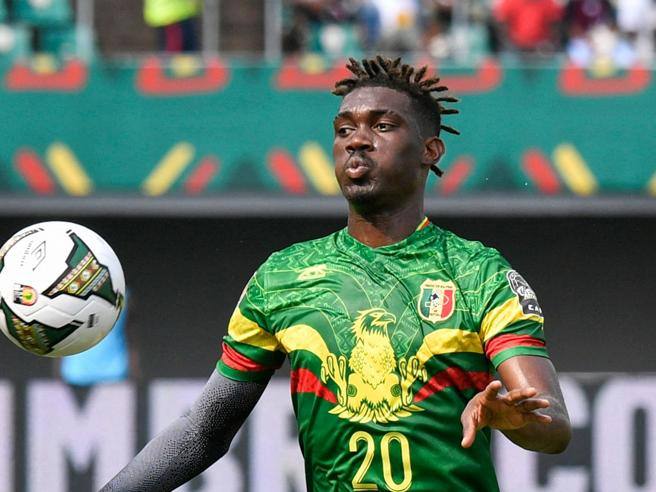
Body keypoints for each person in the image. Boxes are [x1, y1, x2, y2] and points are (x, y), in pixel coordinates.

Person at [101, 55, 571, 491]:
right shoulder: (282, 277)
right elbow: (203, 432)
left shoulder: (478, 273)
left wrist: (515, 419)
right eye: (344, 129)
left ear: (430, 150)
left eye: (382, 126)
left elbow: (553, 424)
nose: (357, 140)